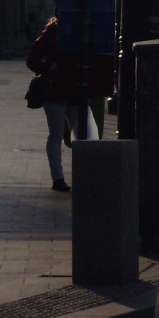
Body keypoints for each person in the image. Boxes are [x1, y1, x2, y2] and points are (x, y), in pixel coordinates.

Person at [26, 15, 99, 192]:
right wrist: (49, 67)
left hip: (65, 91)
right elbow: (32, 60)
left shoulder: (52, 33)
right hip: (60, 90)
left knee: (68, 135)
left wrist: (47, 67)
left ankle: (67, 177)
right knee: (65, 134)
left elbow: (32, 60)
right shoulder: (61, 33)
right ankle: (60, 177)